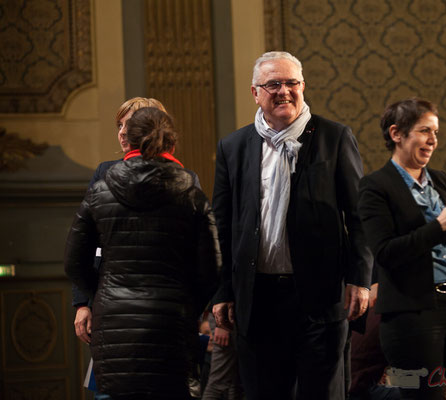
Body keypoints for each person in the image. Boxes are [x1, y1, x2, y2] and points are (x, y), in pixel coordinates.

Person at [211, 51, 372, 400]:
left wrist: (360, 278)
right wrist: (222, 291)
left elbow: (359, 216)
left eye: (291, 83)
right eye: (273, 84)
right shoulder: (234, 146)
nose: (284, 91)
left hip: (319, 295)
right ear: (255, 93)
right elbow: (221, 227)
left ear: (303, 87)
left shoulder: (334, 137)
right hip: (257, 300)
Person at [64, 107, 220, 398]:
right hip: (172, 320)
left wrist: (99, 294)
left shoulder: (100, 192)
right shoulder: (191, 194)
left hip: (113, 323)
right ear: (171, 143)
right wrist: (189, 302)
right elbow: (211, 268)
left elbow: (74, 261)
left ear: (129, 142)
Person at [357, 98, 446, 399]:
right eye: (424, 131)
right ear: (397, 134)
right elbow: (386, 254)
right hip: (411, 313)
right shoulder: (375, 187)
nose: (433, 140)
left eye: (436, 132)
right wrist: (441, 224)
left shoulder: (440, 180)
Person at [72, 97, 168, 346]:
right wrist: (83, 303)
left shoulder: (179, 178)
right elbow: (84, 244)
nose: (123, 133)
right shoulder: (104, 173)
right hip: (109, 301)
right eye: (119, 126)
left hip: (162, 304)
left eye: (129, 125)